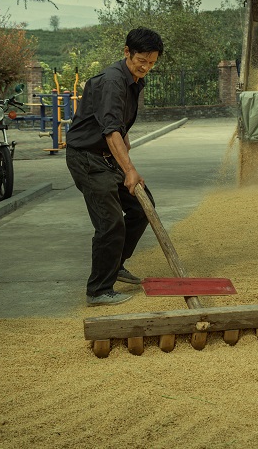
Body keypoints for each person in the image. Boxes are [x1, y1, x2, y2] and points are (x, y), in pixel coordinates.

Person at [65, 27, 163, 306]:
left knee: (143, 208)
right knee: (110, 223)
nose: (146, 67)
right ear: (126, 53)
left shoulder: (134, 79)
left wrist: (124, 144)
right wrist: (130, 170)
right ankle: (98, 290)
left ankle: (115, 265)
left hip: (107, 157)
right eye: (141, 60)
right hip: (87, 158)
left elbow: (117, 122)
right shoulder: (112, 81)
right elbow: (109, 130)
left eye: (152, 62)